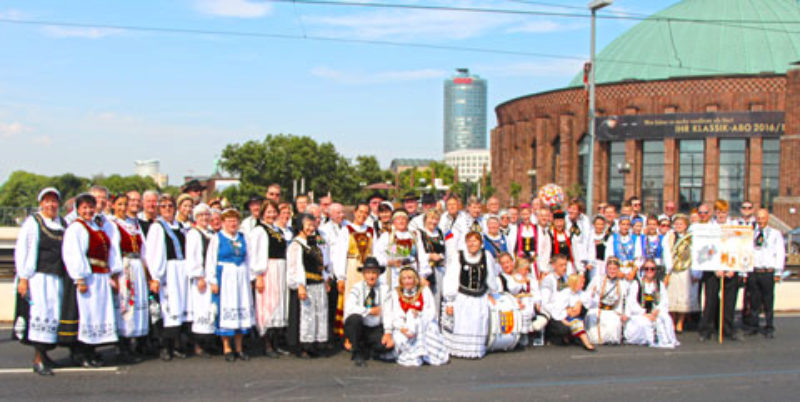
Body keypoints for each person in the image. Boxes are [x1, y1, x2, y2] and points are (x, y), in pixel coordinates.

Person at [61, 193, 121, 367]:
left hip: (101, 276)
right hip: (89, 276)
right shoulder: (76, 228)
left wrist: (111, 273)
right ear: (78, 209)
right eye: (84, 208)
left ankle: (92, 350)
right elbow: (73, 253)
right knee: (87, 315)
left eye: (90, 207)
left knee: (97, 315)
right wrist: (79, 278)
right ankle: (83, 353)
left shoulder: (96, 226)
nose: (88, 211)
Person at [13, 187, 66, 375]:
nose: (51, 205)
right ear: (41, 203)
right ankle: (38, 359)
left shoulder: (62, 223)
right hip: (39, 277)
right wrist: (24, 277)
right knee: (40, 317)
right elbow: (23, 250)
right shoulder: (33, 222)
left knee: (53, 317)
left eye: (54, 201)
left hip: (56, 278)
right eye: (47, 201)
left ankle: (45, 356)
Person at [145, 194, 190, 361]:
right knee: (167, 308)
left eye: (170, 205)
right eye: (163, 206)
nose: (167, 209)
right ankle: (165, 346)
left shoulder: (181, 227)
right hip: (168, 271)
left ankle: (177, 344)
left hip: (181, 270)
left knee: (180, 308)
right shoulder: (157, 227)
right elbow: (154, 253)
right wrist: (156, 276)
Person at [205, 209, 254, 362]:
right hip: (225, 276)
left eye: (235, 220)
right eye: (229, 220)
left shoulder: (243, 237)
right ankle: (227, 348)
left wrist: (250, 278)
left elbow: (249, 258)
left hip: (241, 277)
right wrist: (212, 280)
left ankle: (239, 348)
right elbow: (210, 260)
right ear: (223, 222)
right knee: (226, 310)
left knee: (241, 310)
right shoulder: (217, 238)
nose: (232, 223)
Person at [442, 231, 498, 359]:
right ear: (466, 243)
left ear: (480, 243)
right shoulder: (459, 256)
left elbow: (490, 277)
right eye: (470, 241)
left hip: (480, 298)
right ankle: (460, 350)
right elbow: (451, 278)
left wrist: (491, 292)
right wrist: (450, 301)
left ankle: (475, 350)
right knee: (463, 324)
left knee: (477, 324)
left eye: (475, 241)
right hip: (463, 297)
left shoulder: (486, 256)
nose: (472, 244)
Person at [109, 193, 149, 362]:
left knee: (137, 304)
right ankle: (123, 346)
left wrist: (147, 273)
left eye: (125, 204)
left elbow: (144, 250)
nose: (123, 208)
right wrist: (115, 273)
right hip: (124, 266)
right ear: (113, 206)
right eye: (119, 204)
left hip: (137, 265)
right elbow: (112, 250)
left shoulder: (133, 224)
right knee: (126, 304)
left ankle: (135, 343)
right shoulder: (112, 224)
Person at [249, 199, 290, 357]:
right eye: (268, 212)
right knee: (267, 306)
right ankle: (266, 344)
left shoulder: (277, 230)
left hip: (280, 269)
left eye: (273, 212)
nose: (271, 215)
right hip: (268, 270)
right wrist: (258, 275)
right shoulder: (259, 231)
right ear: (262, 213)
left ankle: (275, 342)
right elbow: (256, 254)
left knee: (279, 306)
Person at [332, 202, 375, 343]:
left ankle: (364, 336)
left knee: (366, 301)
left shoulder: (371, 231)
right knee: (351, 302)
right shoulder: (347, 230)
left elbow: (375, 252)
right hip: (352, 268)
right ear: (355, 213)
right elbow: (339, 254)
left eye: (366, 213)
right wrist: (340, 277)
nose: (362, 215)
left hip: (367, 271)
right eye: (360, 212)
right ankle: (349, 337)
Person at [287, 214, 329, 358]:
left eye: (313, 225)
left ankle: (316, 343)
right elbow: (295, 267)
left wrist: (325, 278)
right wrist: (299, 285)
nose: (312, 228)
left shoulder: (315, 244)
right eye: (308, 225)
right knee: (306, 316)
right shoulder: (296, 245)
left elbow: (321, 263)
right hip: (306, 284)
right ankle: (303, 346)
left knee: (318, 313)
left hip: (318, 283)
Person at [696, 204, 741, 342]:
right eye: (719, 212)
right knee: (710, 301)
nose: (721, 215)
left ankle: (727, 329)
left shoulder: (735, 228)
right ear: (715, 213)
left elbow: (739, 248)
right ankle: (706, 329)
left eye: (724, 212)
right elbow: (703, 249)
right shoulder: (708, 228)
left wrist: (732, 268)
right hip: (712, 271)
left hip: (730, 270)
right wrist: (715, 268)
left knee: (729, 302)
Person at [391, 266, 449, 367]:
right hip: (405, 325)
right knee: (400, 337)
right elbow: (396, 314)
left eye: (410, 278)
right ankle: (412, 355)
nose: (407, 281)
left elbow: (431, 311)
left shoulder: (424, 291)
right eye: (404, 279)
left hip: (423, 324)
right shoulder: (395, 293)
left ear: (415, 279)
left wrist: (419, 315)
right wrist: (402, 327)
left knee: (430, 331)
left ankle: (426, 355)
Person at [343, 257, 394, 367]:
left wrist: (388, 333)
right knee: (354, 319)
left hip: (375, 327)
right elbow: (349, 308)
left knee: (387, 346)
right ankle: (357, 352)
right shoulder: (357, 288)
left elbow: (388, 311)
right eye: (368, 273)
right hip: (361, 327)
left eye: (374, 273)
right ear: (364, 274)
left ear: (379, 274)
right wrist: (368, 311)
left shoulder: (385, 289)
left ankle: (367, 348)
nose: (371, 276)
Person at [746, 208, 785, 338]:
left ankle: (769, 326)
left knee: (768, 301)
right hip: (754, 271)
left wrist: (778, 272)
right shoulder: (750, 233)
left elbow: (780, 253)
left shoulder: (775, 234)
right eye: (759, 218)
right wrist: (744, 272)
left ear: (767, 218)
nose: (761, 221)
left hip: (767, 272)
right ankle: (754, 326)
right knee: (754, 301)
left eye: (763, 218)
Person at [624, 259, 679, 349]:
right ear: (643, 270)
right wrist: (644, 313)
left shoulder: (659, 284)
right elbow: (631, 302)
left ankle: (667, 340)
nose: (649, 271)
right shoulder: (636, 284)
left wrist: (656, 311)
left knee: (666, 318)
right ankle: (650, 339)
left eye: (652, 269)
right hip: (640, 314)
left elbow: (664, 301)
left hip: (654, 313)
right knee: (644, 323)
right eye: (647, 269)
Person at [185, 203, 215, 357]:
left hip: (211, 276)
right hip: (201, 277)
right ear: (196, 217)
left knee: (210, 309)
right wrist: (199, 276)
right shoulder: (194, 234)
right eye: (201, 215)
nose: (204, 218)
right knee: (200, 310)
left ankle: (209, 342)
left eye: (206, 215)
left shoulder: (210, 233)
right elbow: (193, 257)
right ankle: (198, 344)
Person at [662, 214, 698, 333]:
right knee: (672, 296)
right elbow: (667, 254)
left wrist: (695, 273)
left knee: (683, 297)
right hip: (673, 270)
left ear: (686, 225)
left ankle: (680, 322)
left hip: (686, 270)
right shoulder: (669, 236)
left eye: (681, 224)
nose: (678, 226)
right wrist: (668, 271)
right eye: (676, 224)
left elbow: (694, 255)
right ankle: (672, 321)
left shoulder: (691, 238)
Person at [585, 257, 627, 345]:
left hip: (613, 311)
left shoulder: (622, 283)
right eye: (610, 269)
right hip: (599, 309)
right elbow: (588, 294)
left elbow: (624, 301)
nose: (612, 271)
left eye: (614, 269)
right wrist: (593, 294)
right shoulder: (598, 280)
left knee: (613, 324)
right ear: (606, 269)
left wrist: (622, 313)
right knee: (592, 317)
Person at [374, 208, 420, 289]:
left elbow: (421, 256)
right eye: (398, 219)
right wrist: (388, 262)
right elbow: (377, 255)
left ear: (408, 221)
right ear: (393, 222)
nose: (401, 221)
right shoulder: (387, 236)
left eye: (403, 219)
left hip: (411, 273)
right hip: (393, 274)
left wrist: (422, 275)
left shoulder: (414, 236)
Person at [417, 209, 446, 318]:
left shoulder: (440, 233)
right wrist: (429, 256)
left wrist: (440, 257)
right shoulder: (420, 233)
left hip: (440, 270)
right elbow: (418, 254)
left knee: (437, 300)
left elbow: (446, 251)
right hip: (425, 271)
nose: (433, 222)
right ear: (425, 219)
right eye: (431, 218)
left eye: (436, 219)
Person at [513, 257, 548, 347]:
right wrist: (521, 282)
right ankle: (521, 335)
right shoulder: (513, 279)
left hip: (530, 302)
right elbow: (512, 291)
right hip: (518, 302)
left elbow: (536, 292)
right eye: (525, 269)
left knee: (539, 315)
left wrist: (537, 303)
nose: (527, 272)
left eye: (528, 269)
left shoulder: (531, 279)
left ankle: (536, 334)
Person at [540, 254, 572, 345]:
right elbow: (545, 304)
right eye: (561, 265)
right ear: (554, 266)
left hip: (566, 311)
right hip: (553, 314)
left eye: (565, 265)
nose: (564, 268)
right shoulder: (548, 280)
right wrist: (561, 314)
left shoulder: (567, 278)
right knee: (564, 329)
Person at [604, 215, 641, 282]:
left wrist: (633, 272)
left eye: (627, 224)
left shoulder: (635, 238)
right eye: (623, 224)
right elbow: (609, 257)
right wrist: (617, 271)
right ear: (619, 225)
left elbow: (638, 257)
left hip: (631, 273)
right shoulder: (612, 238)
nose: (625, 227)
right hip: (617, 272)